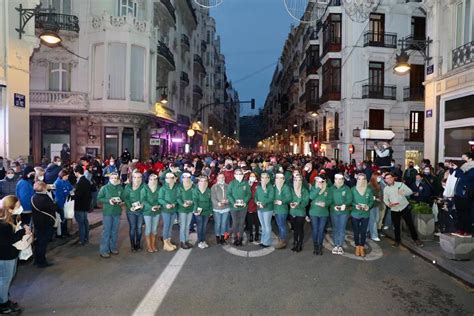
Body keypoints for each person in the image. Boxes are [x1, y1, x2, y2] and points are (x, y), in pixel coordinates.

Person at [0, 195, 30, 314]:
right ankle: (3, 305)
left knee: (8, 278)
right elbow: (10, 239)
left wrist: (22, 227)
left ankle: (5, 300)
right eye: (18, 206)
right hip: (5, 256)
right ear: (10, 209)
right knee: (4, 280)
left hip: (11, 254)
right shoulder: (3, 224)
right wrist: (23, 231)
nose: (20, 207)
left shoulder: (9, 218)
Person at [383, 173, 424, 247]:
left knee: (410, 224)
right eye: (387, 179)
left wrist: (403, 192)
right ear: (385, 180)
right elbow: (385, 199)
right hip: (394, 209)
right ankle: (397, 241)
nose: (389, 180)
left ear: (393, 178)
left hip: (404, 207)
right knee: (396, 226)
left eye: (390, 178)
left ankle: (416, 239)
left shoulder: (400, 184)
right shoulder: (386, 189)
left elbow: (410, 191)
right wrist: (389, 204)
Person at [31, 181, 59, 268]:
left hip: (37, 223)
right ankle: (42, 262)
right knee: (43, 243)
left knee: (38, 242)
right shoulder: (44, 198)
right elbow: (54, 207)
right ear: (43, 188)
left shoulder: (33, 197)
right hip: (46, 223)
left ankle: (36, 259)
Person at [97, 173, 123, 258]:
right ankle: (104, 250)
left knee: (114, 231)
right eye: (112, 178)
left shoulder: (120, 188)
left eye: (116, 178)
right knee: (107, 231)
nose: (114, 179)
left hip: (117, 212)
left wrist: (122, 202)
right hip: (108, 212)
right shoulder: (104, 188)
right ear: (109, 178)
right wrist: (108, 201)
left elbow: (123, 198)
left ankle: (113, 248)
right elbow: (99, 198)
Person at [329, 173, 353, 255]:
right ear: (334, 180)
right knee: (335, 228)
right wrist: (333, 206)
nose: (338, 181)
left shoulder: (347, 189)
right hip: (334, 211)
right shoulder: (331, 189)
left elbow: (349, 199)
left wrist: (345, 205)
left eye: (340, 179)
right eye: (336, 179)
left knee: (342, 228)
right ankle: (336, 245)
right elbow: (329, 200)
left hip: (344, 212)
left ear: (343, 180)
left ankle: (340, 245)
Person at [351, 173, 374, 257]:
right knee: (356, 231)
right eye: (359, 179)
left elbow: (371, 201)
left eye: (362, 179)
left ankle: (362, 246)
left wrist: (368, 206)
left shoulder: (368, 190)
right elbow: (350, 201)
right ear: (357, 180)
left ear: (365, 180)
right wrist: (355, 205)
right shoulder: (353, 189)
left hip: (365, 214)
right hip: (355, 214)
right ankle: (357, 246)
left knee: (363, 232)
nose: (361, 181)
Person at [227, 168, 251, 246]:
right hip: (233, 207)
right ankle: (235, 238)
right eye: (236, 174)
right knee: (235, 222)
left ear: (243, 175)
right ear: (234, 175)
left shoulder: (245, 183)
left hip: (243, 207)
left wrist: (245, 201)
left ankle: (240, 238)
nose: (238, 175)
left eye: (240, 174)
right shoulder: (231, 183)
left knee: (241, 222)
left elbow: (249, 194)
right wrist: (233, 202)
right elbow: (229, 194)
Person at [309, 175, 332, 255]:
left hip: (324, 213)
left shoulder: (328, 189)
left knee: (321, 230)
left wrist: (325, 204)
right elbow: (311, 197)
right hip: (313, 212)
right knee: (315, 229)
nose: (318, 182)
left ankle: (319, 246)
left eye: (320, 181)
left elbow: (330, 200)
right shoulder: (313, 187)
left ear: (324, 181)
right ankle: (315, 245)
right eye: (317, 181)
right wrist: (318, 188)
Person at [453, 153, 474, 237]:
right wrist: (454, 169)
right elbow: (457, 175)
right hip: (458, 194)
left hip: (465, 194)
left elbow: (466, 178)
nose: (462, 160)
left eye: (464, 158)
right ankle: (461, 230)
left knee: (465, 214)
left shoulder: (472, 169)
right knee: (459, 213)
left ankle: (467, 231)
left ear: (470, 159)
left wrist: (458, 169)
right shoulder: (464, 167)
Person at [123, 170, 145, 252]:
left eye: (139, 177)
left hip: (141, 211)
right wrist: (130, 206)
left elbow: (145, 197)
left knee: (139, 228)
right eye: (135, 177)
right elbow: (125, 198)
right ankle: (132, 245)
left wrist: (143, 204)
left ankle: (138, 244)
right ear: (132, 178)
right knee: (132, 228)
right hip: (131, 211)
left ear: (141, 178)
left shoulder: (144, 187)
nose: (137, 179)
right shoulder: (128, 187)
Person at [158, 172, 180, 251]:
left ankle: (168, 242)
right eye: (168, 178)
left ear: (174, 179)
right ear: (166, 179)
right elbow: (160, 199)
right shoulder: (163, 188)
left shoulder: (176, 188)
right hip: (165, 210)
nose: (170, 179)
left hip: (173, 210)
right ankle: (165, 244)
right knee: (166, 226)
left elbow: (178, 197)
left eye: (172, 178)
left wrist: (174, 204)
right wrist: (166, 204)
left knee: (170, 226)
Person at [289, 174, 309, 252]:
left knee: (300, 228)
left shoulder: (304, 190)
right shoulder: (291, 190)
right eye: (295, 180)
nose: (297, 181)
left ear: (302, 181)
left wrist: (299, 203)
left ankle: (299, 244)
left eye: (299, 180)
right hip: (292, 211)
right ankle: (295, 242)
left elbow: (306, 202)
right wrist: (290, 203)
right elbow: (289, 198)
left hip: (300, 212)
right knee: (294, 229)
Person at [141, 173, 161, 253]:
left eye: (155, 179)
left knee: (154, 230)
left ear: (157, 180)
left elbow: (161, 198)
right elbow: (143, 200)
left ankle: (153, 245)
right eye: (151, 179)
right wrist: (150, 207)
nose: (153, 181)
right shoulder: (144, 188)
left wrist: (159, 205)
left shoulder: (159, 188)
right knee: (148, 229)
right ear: (148, 180)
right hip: (147, 211)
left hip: (157, 211)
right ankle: (149, 246)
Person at [254, 172, 274, 248]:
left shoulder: (270, 187)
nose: (264, 179)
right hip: (259, 208)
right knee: (263, 226)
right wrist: (257, 202)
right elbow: (255, 196)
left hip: (267, 209)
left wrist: (263, 203)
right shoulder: (258, 187)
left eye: (266, 177)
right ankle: (263, 240)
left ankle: (267, 242)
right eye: (262, 177)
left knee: (267, 225)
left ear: (268, 179)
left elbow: (271, 198)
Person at [73, 165, 92, 246]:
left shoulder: (80, 182)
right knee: (85, 222)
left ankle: (81, 239)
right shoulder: (87, 181)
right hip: (86, 205)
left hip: (80, 205)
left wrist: (72, 195)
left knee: (81, 223)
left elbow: (78, 195)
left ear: (77, 172)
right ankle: (86, 238)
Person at [273, 172, 292, 249]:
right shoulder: (275, 187)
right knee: (279, 225)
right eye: (277, 178)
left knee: (282, 225)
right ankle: (281, 237)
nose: (278, 179)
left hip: (282, 210)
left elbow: (289, 198)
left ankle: (283, 241)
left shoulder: (286, 187)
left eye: (280, 178)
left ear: (283, 179)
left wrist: (282, 201)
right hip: (276, 209)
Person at [193, 176, 212, 248]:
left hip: (206, 211)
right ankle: (200, 241)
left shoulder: (208, 190)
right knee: (200, 226)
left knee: (204, 227)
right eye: (201, 181)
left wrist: (210, 211)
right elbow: (195, 201)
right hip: (199, 211)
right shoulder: (196, 190)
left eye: (205, 181)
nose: (203, 182)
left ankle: (203, 240)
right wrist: (196, 210)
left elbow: (210, 202)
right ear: (199, 182)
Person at [53, 170, 74, 237]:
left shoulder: (66, 181)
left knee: (66, 218)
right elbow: (60, 194)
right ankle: (61, 233)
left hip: (67, 203)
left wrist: (70, 191)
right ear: (62, 176)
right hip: (60, 203)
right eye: (66, 176)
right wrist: (68, 192)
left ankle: (65, 232)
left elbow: (71, 187)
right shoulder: (57, 183)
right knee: (62, 219)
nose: (67, 177)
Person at [211, 173, 230, 245]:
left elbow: (230, 195)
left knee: (224, 224)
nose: (221, 178)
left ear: (224, 178)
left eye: (223, 177)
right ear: (217, 178)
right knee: (218, 223)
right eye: (220, 177)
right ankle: (217, 237)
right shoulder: (214, 187)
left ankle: (222, 237)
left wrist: (227, 200)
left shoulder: (228, 186)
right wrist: (217, 203)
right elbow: (212, 198)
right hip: (217, 208)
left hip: (226, 208)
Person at [177, 173, 195, 249]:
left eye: (188, 177)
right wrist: (182, 204)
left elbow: (195, 196)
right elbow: (178, 197)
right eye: (185, 177)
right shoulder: (180, 187)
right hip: (182, 208)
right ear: (182, 178)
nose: (187, 179)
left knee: (187, 226)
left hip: (190, 208)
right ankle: (182, 241)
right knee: (183, 225)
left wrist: (192, 202)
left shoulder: (193, 186)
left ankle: (186, 240)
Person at [368, 172, 384, 242]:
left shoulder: (379, 185)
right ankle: (374, 235)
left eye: (380, 177)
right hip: (371, 205)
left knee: (376, 219)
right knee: (373, 220)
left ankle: (367, 230)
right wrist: (375, 198)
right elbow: (367, 195)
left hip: (377, 204)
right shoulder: (369, 185)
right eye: (378, 177)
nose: (379, 179)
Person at [246, 172, 260, 243]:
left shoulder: (258, 184)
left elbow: (257, 194)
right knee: (250, 222)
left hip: (257, 205)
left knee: (256, 221)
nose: (252, 177)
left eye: (253, 176)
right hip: (249, 205)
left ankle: (257, 234)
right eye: (251, 176)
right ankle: (251, 234)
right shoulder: (247, 184)